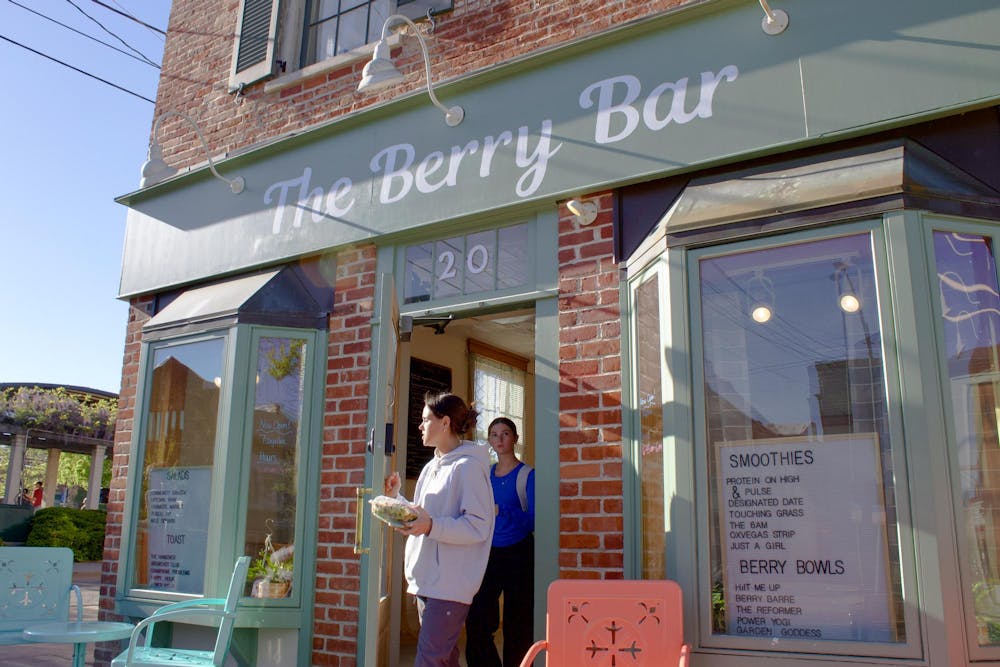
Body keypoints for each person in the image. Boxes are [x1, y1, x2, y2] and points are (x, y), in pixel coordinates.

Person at [383, 392, 495, 667]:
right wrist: (397, 499)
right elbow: (422, 517)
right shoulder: (431, 466)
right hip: (427, 581)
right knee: (443, 660)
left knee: (429, 660)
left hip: (450, 586)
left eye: (425, 420)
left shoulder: (468, 468)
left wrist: (431, 526)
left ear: (444, 423)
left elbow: (478, 526)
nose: (419, 426)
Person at [465, 417, 535, 667]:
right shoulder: (485, 475)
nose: (500, 439)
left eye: (505, 434)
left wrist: (502, 511)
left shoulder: (528, 475)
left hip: (520, 553)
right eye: (494, 435)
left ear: (515, 438)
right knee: (478, 619)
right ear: (489, 441)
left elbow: (533, 521)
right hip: (489, 553)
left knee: (519, 623)